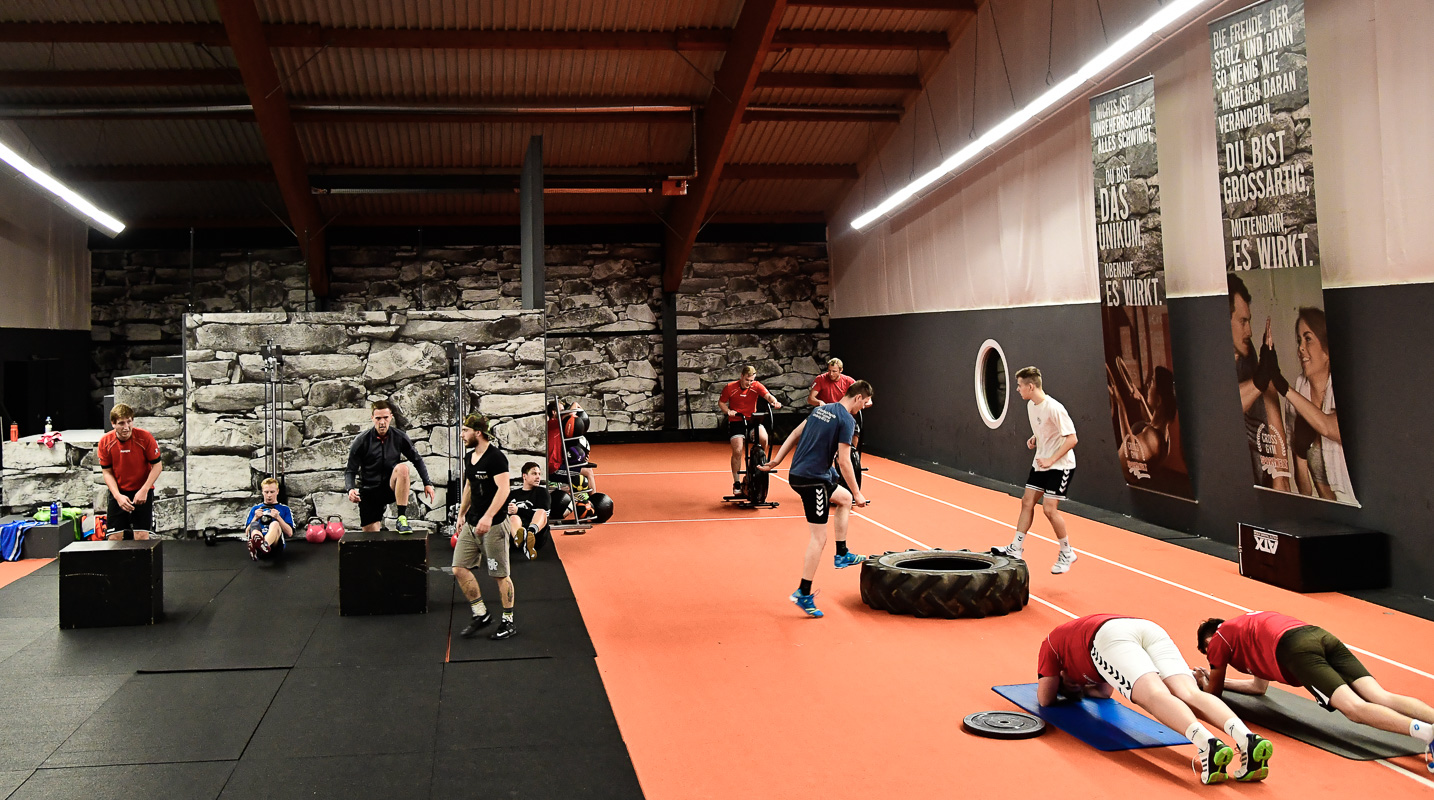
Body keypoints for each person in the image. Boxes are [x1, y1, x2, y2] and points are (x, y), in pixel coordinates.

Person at [1038, 614, 1272, 784]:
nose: (1073, 682)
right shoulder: (1082, 658)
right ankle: (1247, 739)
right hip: (1145, 627)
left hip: (1107, 637)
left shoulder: (1049, 646)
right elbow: (1103, 693)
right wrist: (1080, 688)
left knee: (1153, 694)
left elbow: (1044, 699)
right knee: (1190, 693)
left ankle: (1207, 744)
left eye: (1066, 681)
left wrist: (1069, 690)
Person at [1195, 612, 1434, 765]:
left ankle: (1427, 733)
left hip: (1294, 649)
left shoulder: (1217, 640)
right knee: (1380, 696)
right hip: (1317, 634)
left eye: (1209, 656)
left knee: (1354, 708)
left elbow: (1212, 694)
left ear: (1208, 643)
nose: (1214, 661)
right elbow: (1259, 688)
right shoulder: (1246, 631)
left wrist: (1203, 681)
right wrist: (1220, 681)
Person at [760, 380, 873, 618]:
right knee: (818, 538)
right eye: (866, 402)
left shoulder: (821, 409)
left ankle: (842, 554)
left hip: (808, 473)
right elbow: (844, 461)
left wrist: (777, 461)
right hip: (812, 479)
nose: (866, 406)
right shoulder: (847, 420)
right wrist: (858, 492)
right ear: (858, 398)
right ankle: (803, 592)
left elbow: (794, 433)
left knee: (843, 500)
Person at [1257, 309, 1354, 503]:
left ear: (1327, 350)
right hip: (1326, 512)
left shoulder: (1344, 384)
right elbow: (1305, 490)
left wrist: (1283, 387)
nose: (1301, 348)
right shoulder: (1300, 390)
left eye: (1308, 339)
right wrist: (1300, 452)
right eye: (1299, 340)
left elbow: (1331, 427)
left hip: (1355, 506)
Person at [995, 367, 1079, 574]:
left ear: (1030, 386)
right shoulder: (1032, 406)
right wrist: (1036, 439)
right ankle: (1015, 547)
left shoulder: (1054, 408)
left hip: (1060, 466)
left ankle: (1067, 552)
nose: (1017, 389)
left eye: (1020, 385)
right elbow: (1045, 431)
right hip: (1041, 462)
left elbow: (1072, 439)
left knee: (1049, 509)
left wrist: (1051, 459)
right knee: (1027, 501)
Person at [453, 414, 517, 640]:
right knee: (459, 567)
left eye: (464, 430)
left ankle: (508, 621)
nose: (462, 435)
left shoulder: (496, 458)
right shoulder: (470, 457)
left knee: (500, 575)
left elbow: (504, 490)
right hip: (472, 523)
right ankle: (480, 613)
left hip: (495, 525)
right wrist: (461, 514)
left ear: (477, 432)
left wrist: (489, 517)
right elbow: (469, 485)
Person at [1229, 274, 1291, 491]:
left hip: (1261, 477)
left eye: (1250, 321)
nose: (1250, 331)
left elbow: (1269, 397)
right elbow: (1222, 411)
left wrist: (1281, 472)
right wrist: (1260, 379)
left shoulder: (1249, 354)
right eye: (1243, 321)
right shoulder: (1205, 360)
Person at [344, 399, 435, 534]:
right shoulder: (361, 441)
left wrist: (427, 483)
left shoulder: (399, 437)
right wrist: (350, 489)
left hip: (389, 487)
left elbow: (417, 460)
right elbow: (350, 470)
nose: (382, 422)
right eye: (378, 418)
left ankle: (401, 518)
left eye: (386, 418)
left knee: (403, 469)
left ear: (391, 417)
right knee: (371, 538)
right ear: (372, 418)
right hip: (370, 491)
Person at [97, 403, 162, 540]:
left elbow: (157, 466)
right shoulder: (105, 442)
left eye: (129, 422)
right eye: (121, 423)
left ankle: (142, 562)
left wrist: (144, 490)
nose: (126, 427)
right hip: (119, 491)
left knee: (141, 536)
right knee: (114, 537)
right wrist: (117, 496)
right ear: (113, 424)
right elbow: (107, 472)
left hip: (142, 490)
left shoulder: (144, 437)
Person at [719, 366, 783, 496]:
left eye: (751, 380)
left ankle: (756, 463)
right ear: (741, 376)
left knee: (764, 438)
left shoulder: (756, 386)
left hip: (752, 420)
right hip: (737, 421)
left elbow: (768, 396)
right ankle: (737, 483)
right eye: (747, 380)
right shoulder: (730, 387)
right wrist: (728, 411)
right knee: (737, 450)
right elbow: (721, 402)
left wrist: (774, 402)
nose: (749, 383)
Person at [809, 357, 861, 450]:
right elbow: (810, 399)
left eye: (834, 371)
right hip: (827, 414)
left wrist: (866, 401)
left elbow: (861, 394)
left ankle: (852, 454)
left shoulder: (849, 381)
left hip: (843, 415)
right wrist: (819, 402)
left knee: (855, 429)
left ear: (841, 370)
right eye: (829, 371)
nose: (831, 374)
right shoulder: (820, 379)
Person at [506, 461, 551, 561]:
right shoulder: (512, 494)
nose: (538, 477)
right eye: (534, 473)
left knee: (541, 512)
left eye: (539, 474)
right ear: (524, 476)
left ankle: (530, 534)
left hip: (537, 536)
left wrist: (518, 510)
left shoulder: (542, 492)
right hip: (515, 533)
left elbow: (546, 514)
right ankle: (521, 540)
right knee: (513, 517)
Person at [243, 477, 294, 561]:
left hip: (275, 546)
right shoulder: (255, 509)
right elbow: (247, 532)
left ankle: (263, 545)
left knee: (275, 524)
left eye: (272, 492)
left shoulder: (285, 509)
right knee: (254, 524)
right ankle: (259, 546)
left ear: (277, 491)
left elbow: (290, 533)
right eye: (266, 492)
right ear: (262, 492)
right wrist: (255, 517)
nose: (269, 495)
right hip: (260, 541)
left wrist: (278, 518)